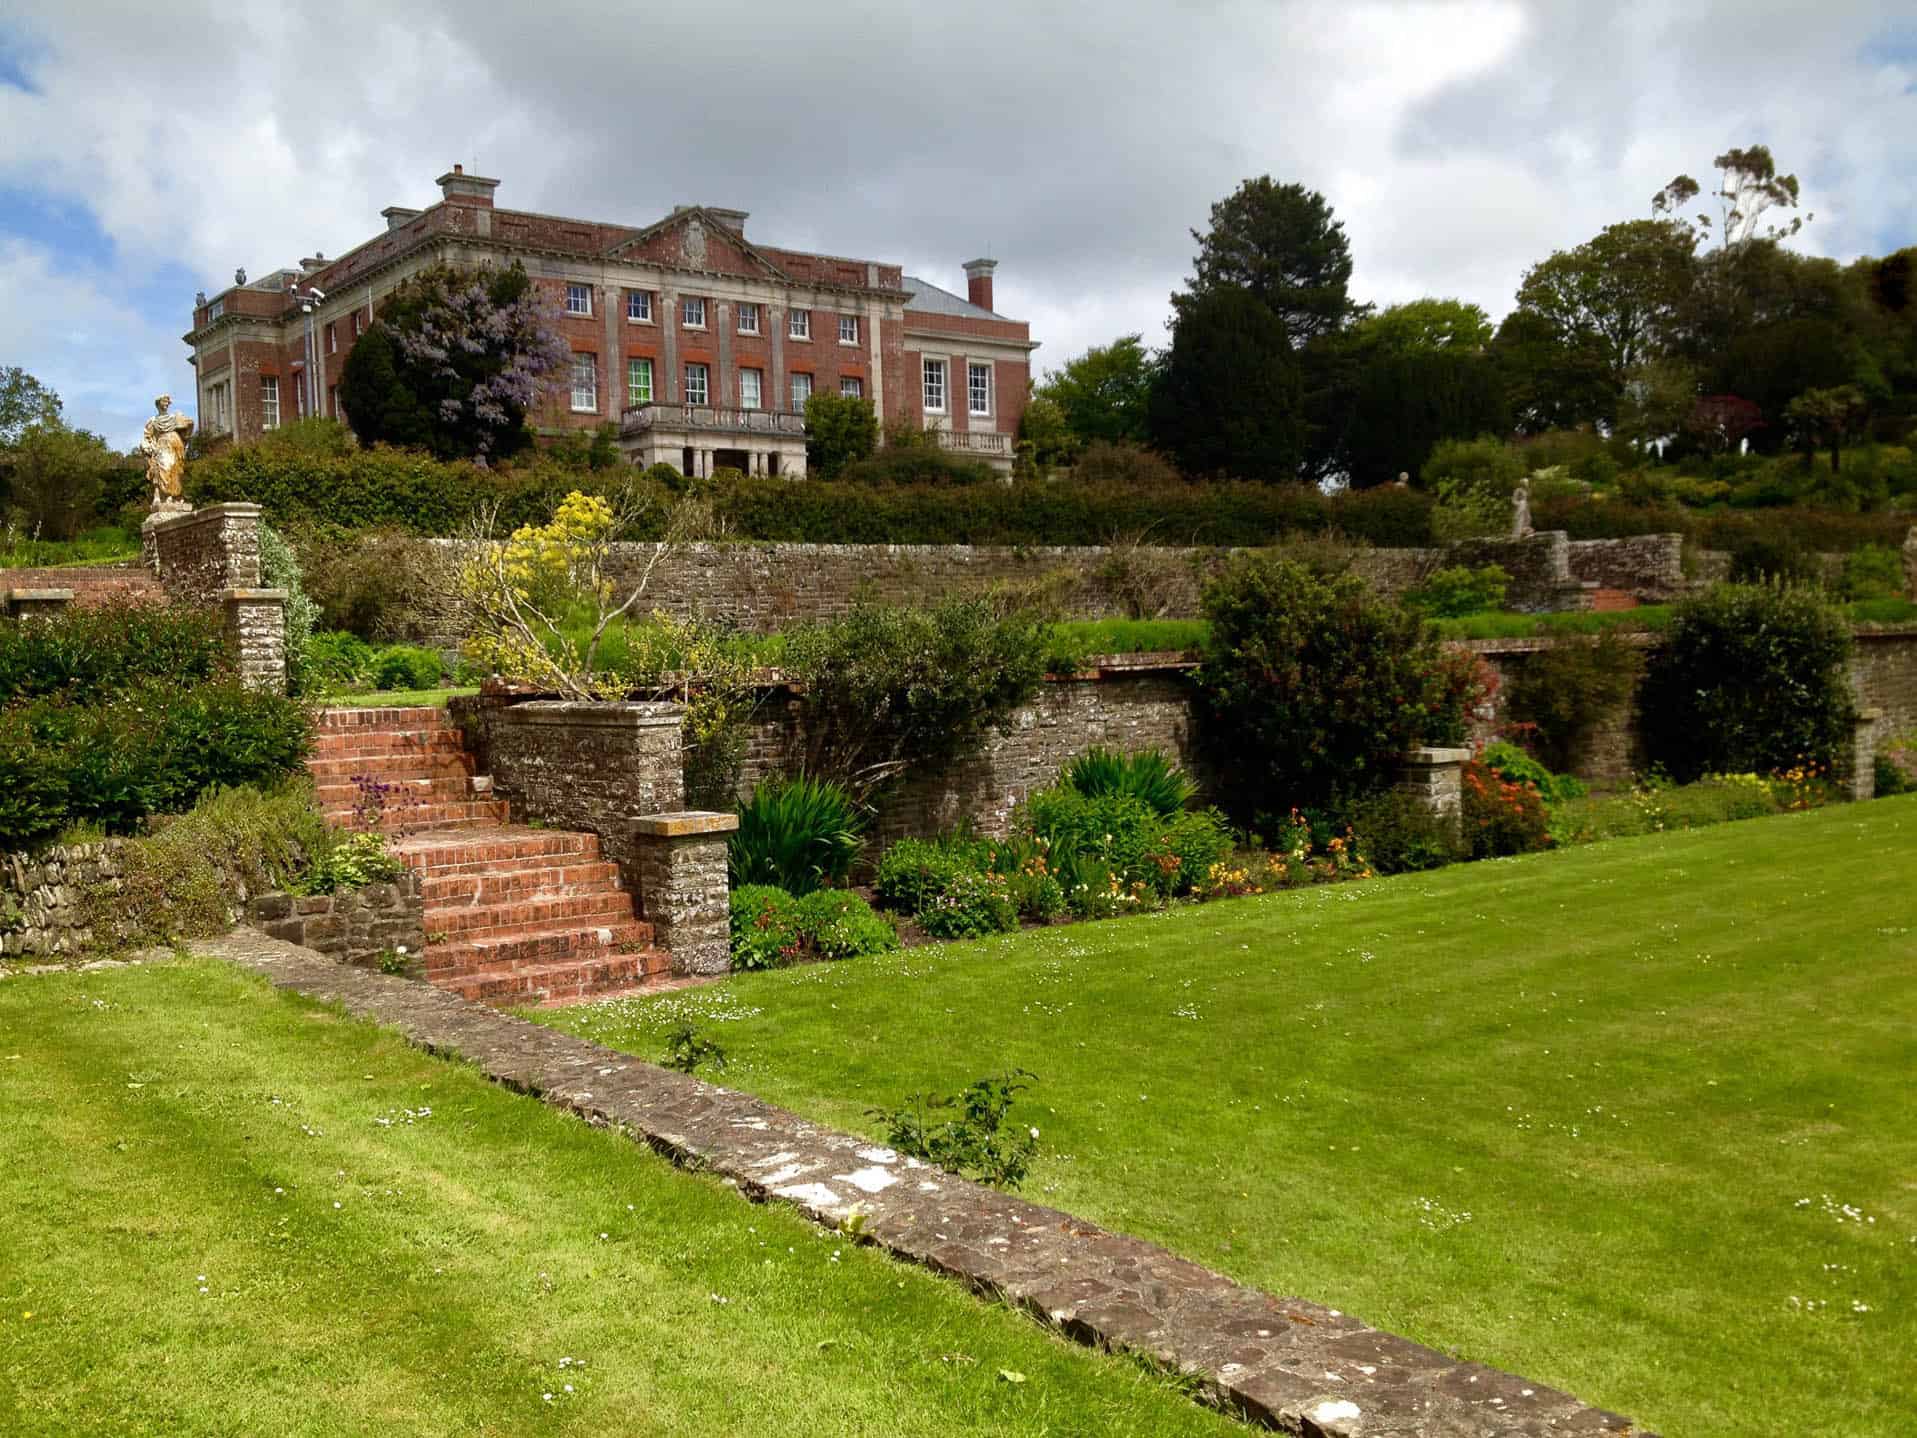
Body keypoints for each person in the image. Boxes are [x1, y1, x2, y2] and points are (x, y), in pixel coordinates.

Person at [141, 394, 194, 507]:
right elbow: (147, 436)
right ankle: (163, 495)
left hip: (176, 445)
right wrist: (147, 446)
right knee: (163, 467)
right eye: (163, 401)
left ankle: (173, 496)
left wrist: (186, 437)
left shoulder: (174, 417)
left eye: (167, 402)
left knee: (175, 470)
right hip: (162, 445)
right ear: (158, 404)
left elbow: (189, 425)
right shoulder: (153, 421)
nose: (166, 404)